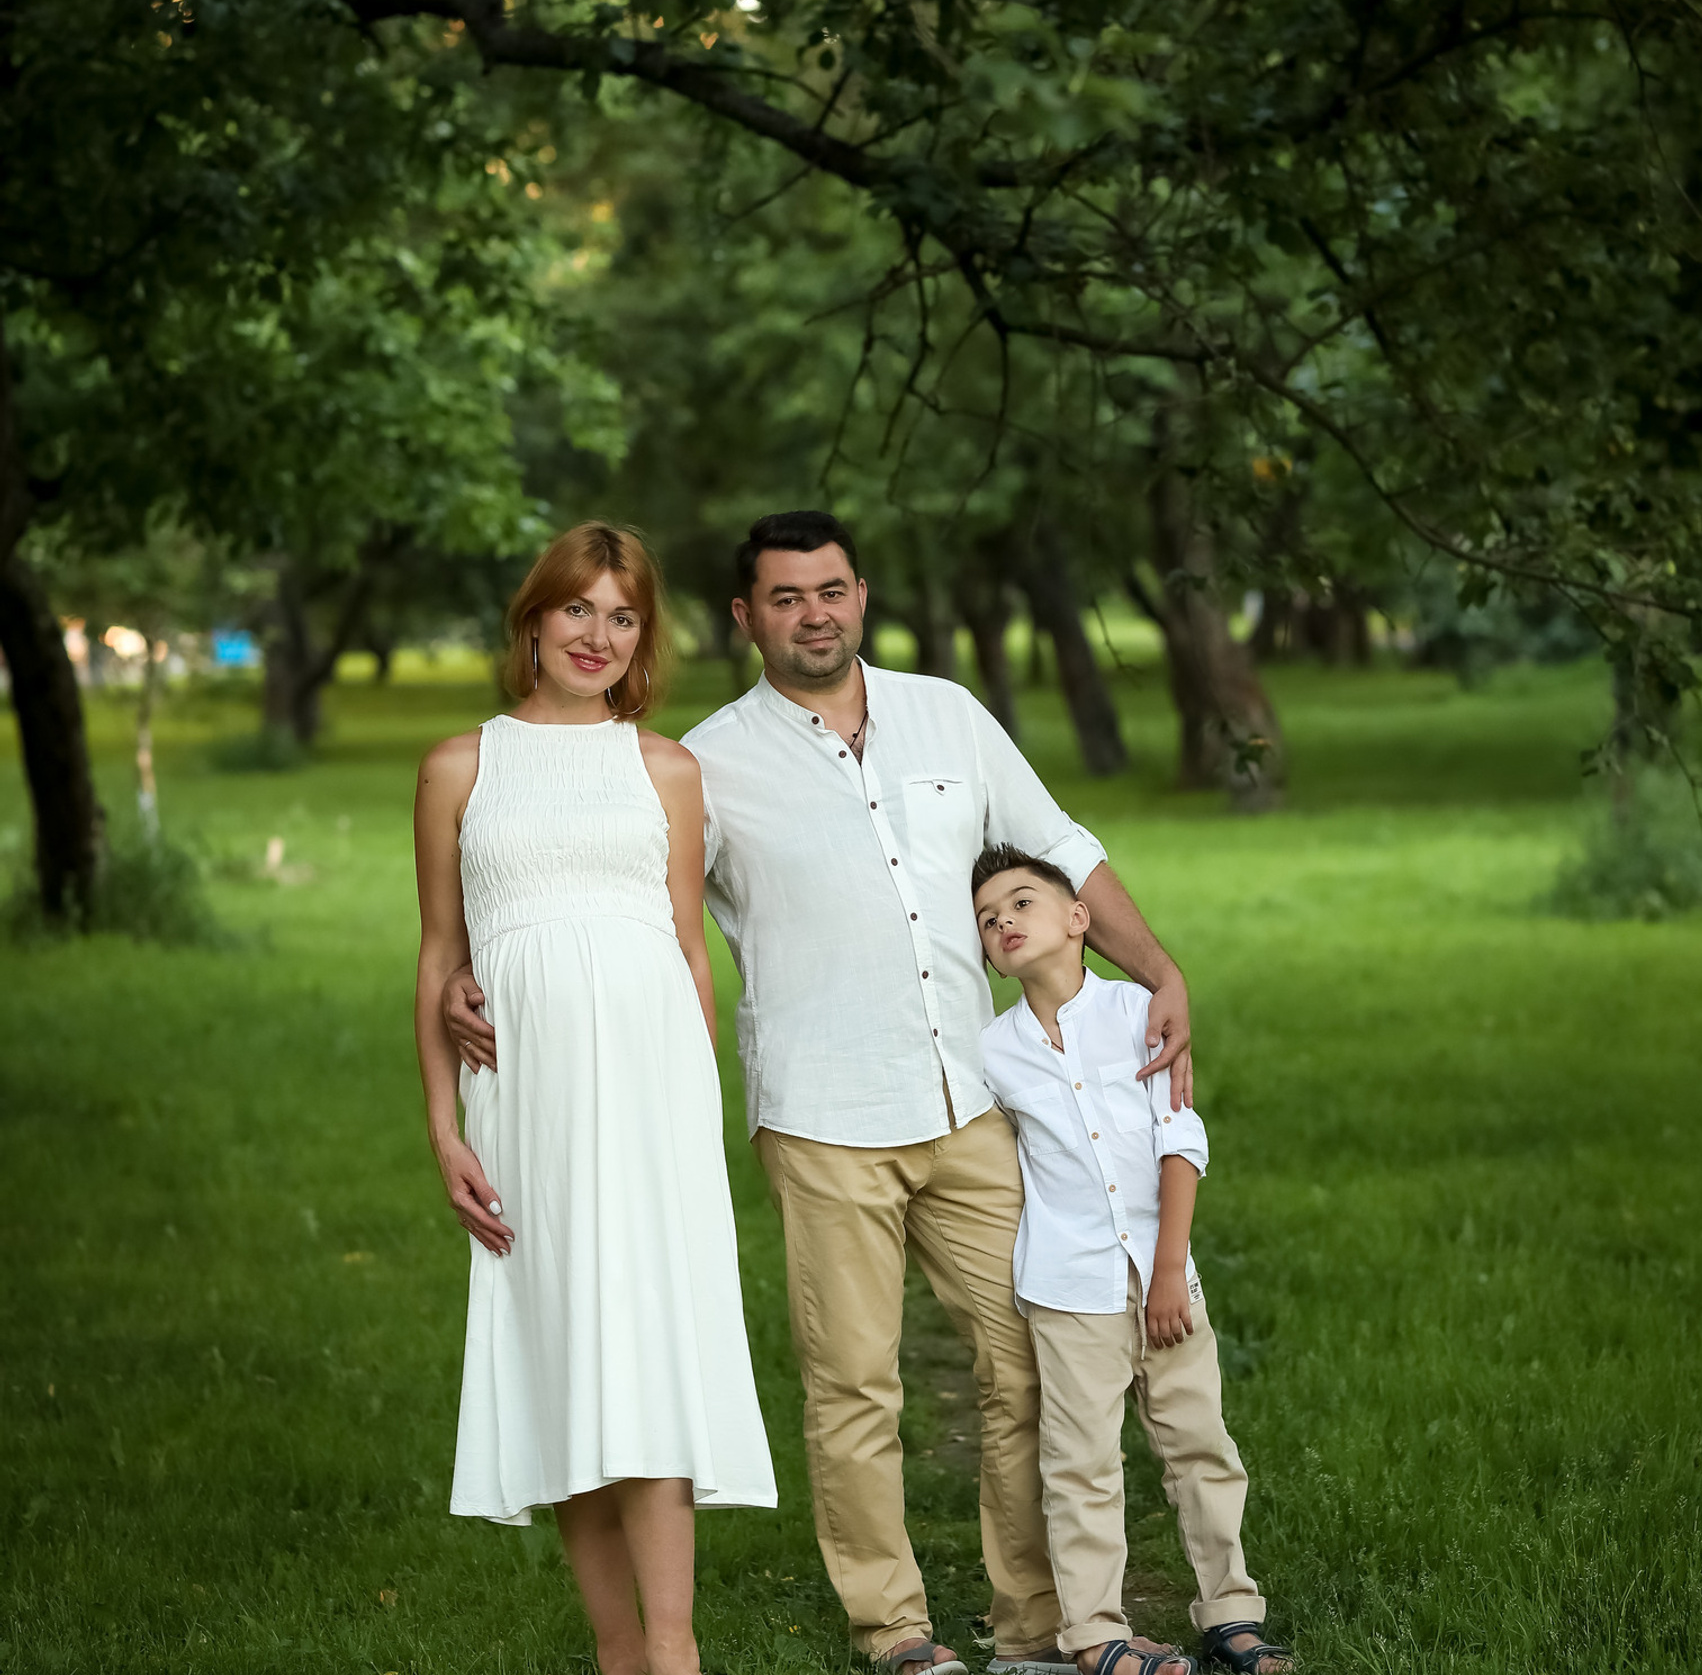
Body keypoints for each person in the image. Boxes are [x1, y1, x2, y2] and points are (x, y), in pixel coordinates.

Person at [445, 510, 1195, 1675]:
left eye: (832, 589)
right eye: (786, 597)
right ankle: (894, 1630)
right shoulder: (705, 762)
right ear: (746, 618)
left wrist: (1157, 970)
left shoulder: (950, 713)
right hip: (820, 1112)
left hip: (971, 1099)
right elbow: (634, 918)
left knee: (1032, 1363)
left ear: (861, 593)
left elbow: (1060, 840)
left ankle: (1040, 1629)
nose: (815, 613)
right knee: (856, 1390)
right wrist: (470, 983)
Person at [413, 521, 775, 1675]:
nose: (599, 635)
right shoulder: (459, 767)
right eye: (580, 609)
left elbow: (687, 943)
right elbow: (438, 956)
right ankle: (618, 1650)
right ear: (534, 617)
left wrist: (703, 1115)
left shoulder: (666, 768)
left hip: (652, 1091)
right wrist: (441, 1127)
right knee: (565, 1345)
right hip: (524, 1099)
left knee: (654, 1350)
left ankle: (674, 1652)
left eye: (623, 617)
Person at [970, 845, 1291, 1675]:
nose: (1004, 921)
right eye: (987, 917)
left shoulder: (1138, 1013)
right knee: (1080, 1464)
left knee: (1199, 1445)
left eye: (1021, 903)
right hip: (1068, 1287)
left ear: (1079, 920)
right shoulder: (992, 1054)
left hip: (1163, 1273)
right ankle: (1096, 1634)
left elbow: (1179, 1139)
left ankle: (1230, 1611)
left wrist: (1167, 1268)